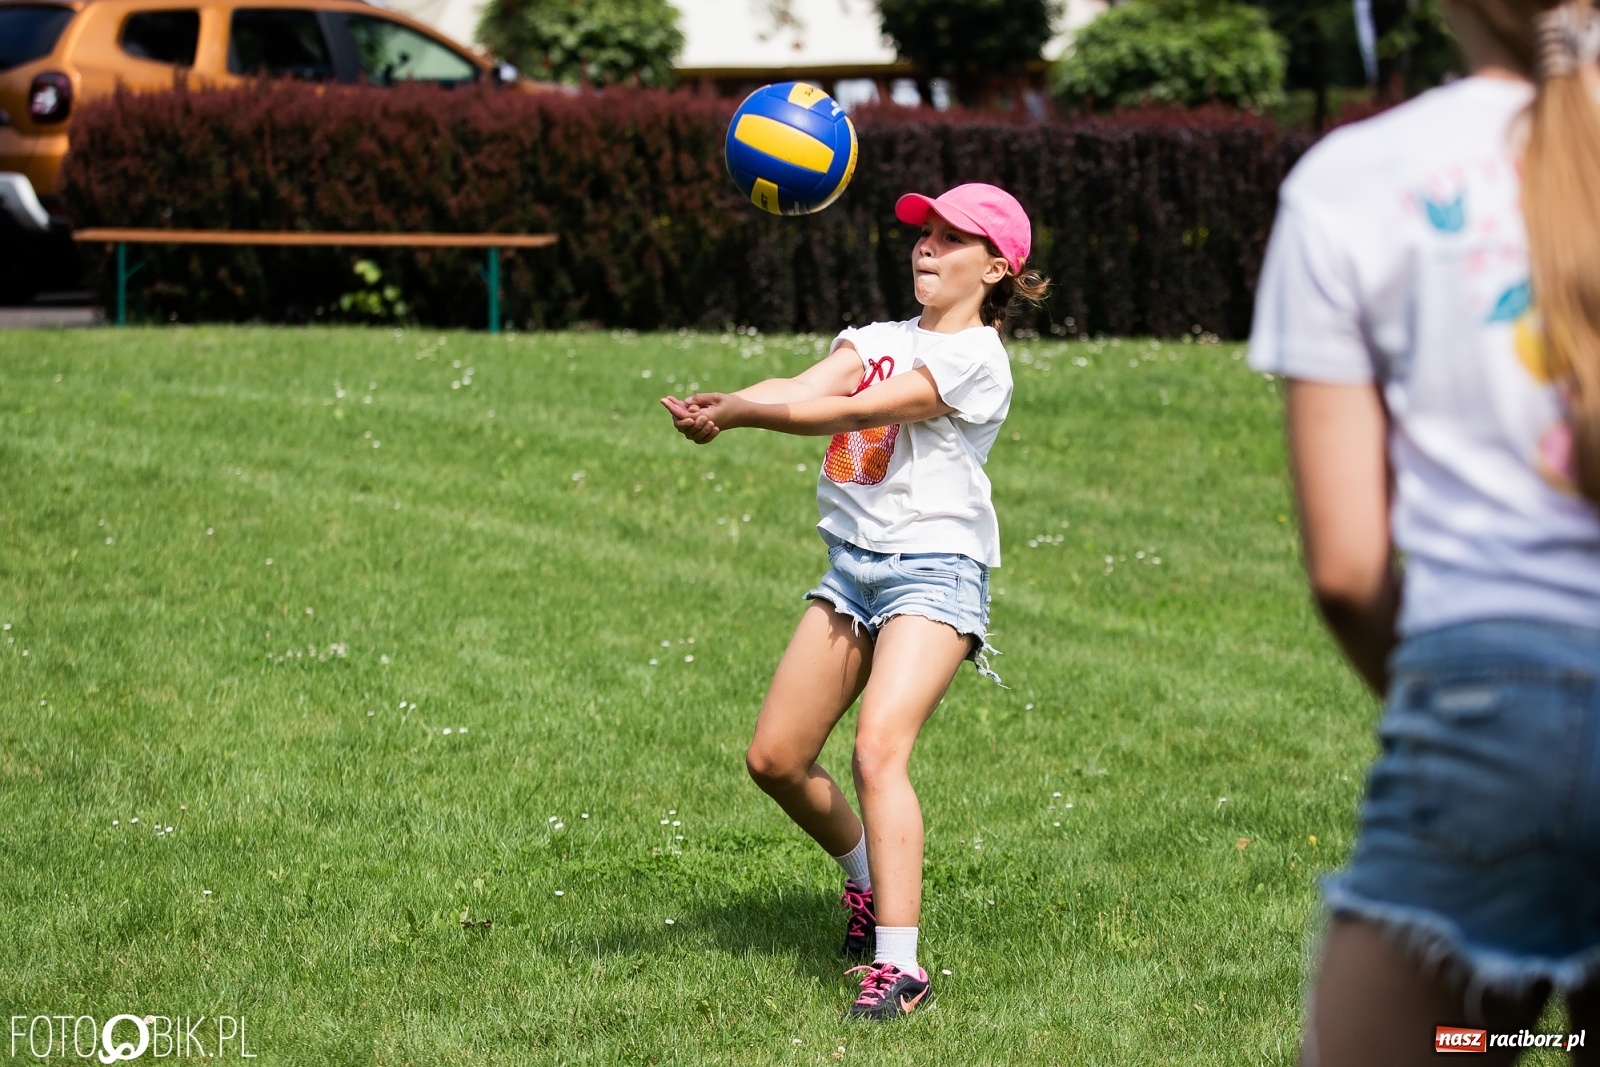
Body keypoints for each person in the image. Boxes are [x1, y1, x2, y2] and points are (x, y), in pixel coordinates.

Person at [1250, 1, 1600, 1062]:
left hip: (1486, 725)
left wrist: (1459, 699)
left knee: (1463, 1043)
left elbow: (1350, 574)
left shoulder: (1350, 183)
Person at [660, 183, 1048, 1021]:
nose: (927, 248)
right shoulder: (876, 337)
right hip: (851, 570)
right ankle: (867, 881)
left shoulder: (977, 361)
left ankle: (900, 968)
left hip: (934, 571)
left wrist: (748, 417)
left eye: (951, 239)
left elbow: (859, 407)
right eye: (924, 234)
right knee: (774, 758)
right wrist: (727, 401)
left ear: (996, 268)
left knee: (879, 749)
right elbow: (812, 379)